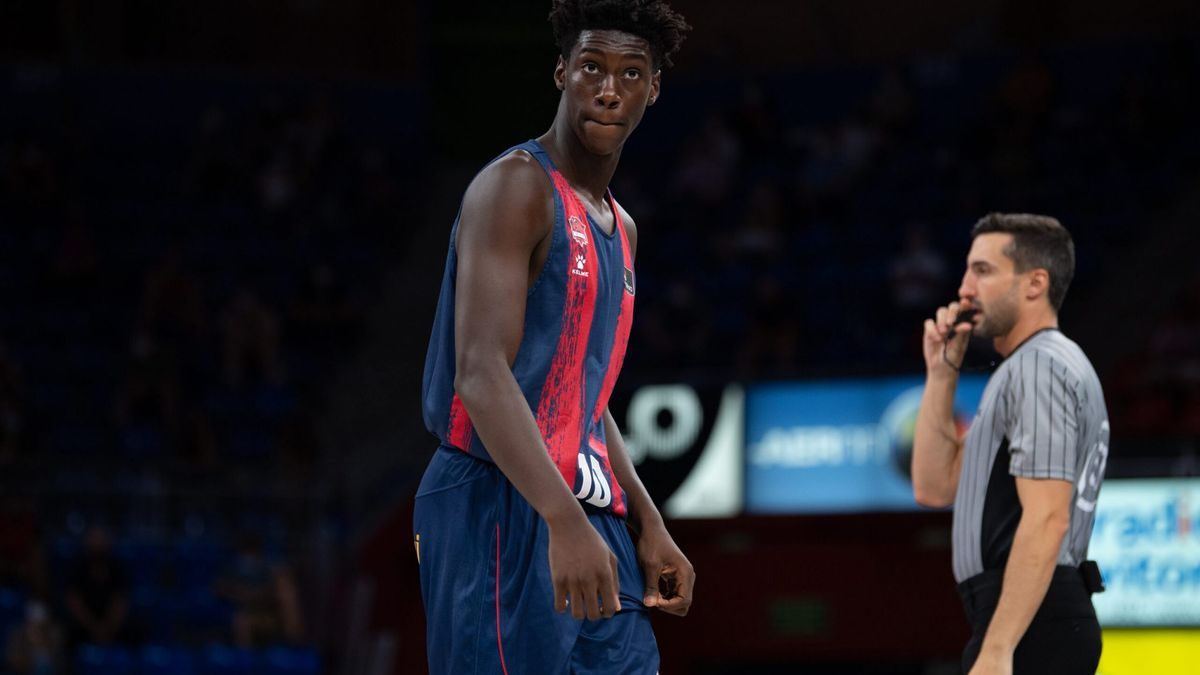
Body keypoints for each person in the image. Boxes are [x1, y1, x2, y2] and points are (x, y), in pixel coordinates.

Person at [415, 1, 694, 673]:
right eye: (593, 67)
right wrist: (561, 518)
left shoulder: (621, 227)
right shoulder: (515, 187)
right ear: (562, 71)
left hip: (585, 508)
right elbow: (480, 372)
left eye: (632, 73)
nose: (609, 88)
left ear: (653, 89)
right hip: (500, 498)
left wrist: (646, 518)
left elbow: (584, 397)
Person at [912, 213, 1110, 674]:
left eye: (982, 270)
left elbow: (1046, 518)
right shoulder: (1026, 367)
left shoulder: (1039, 366)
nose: (964, 287)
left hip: (1032, 621)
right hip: (1030, 617)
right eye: (966, 270)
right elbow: (934, 487)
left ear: (1034, 283)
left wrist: (1000, 647)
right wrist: (941, 373)